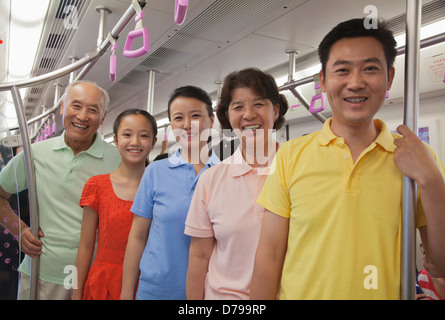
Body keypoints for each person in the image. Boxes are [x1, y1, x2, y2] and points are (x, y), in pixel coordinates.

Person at [250, 18, 445, 300]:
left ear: (389, 78)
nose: (355, 83)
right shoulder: (291, 156)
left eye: (370, 69)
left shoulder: (419, 160)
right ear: (323, 81)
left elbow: (440, 265)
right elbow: (269, 255)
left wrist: (431, 180)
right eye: (342, 70)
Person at [0, 80, 121, 299]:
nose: (83, 116)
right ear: (62, 109)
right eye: (76, 106)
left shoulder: (117, 160)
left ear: (102, 118)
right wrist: (19, 230)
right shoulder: (33, 154)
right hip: (40, 273)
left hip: (91, 277)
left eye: (92, 110)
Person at [184, 68, 288, 300]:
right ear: (228, 116)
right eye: (238, 107)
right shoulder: (211, 180)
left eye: (259, 104)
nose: (248, 114)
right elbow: (199, 257)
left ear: (276, 110)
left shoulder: (297, 172)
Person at [121, 86, 220, 300]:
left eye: (195, 116)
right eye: (178, 118)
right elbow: (137, 237)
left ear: (211, 121)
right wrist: (126, 294)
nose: (186, 125)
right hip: (155, 291)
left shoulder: (225, 175)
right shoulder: (155, 172)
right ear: (171, 126)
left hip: (208, 293)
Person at [72, 109, 158, 300]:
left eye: (143, 135)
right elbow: (86, 246)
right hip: (103, 284)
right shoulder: (97, 186)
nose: (135, 141)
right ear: (116, 140)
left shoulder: (161, 188)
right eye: (127, 134)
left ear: (153, 142)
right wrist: (76, 293)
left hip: (148, 282)